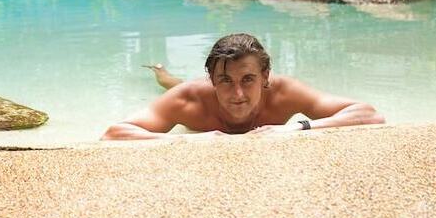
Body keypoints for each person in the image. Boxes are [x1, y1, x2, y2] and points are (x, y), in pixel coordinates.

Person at [101, 33, 384, 140]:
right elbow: (114, 133)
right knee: (170, 83)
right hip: (188, 90)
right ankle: (160, 72)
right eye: (225, 80)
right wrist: (192, 140)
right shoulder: (187, 99)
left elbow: (370, 114)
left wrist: (297, 128)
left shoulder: (284, 92)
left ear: (265, 77)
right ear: (212, 80)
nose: (237, 94)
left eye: (248, 80)